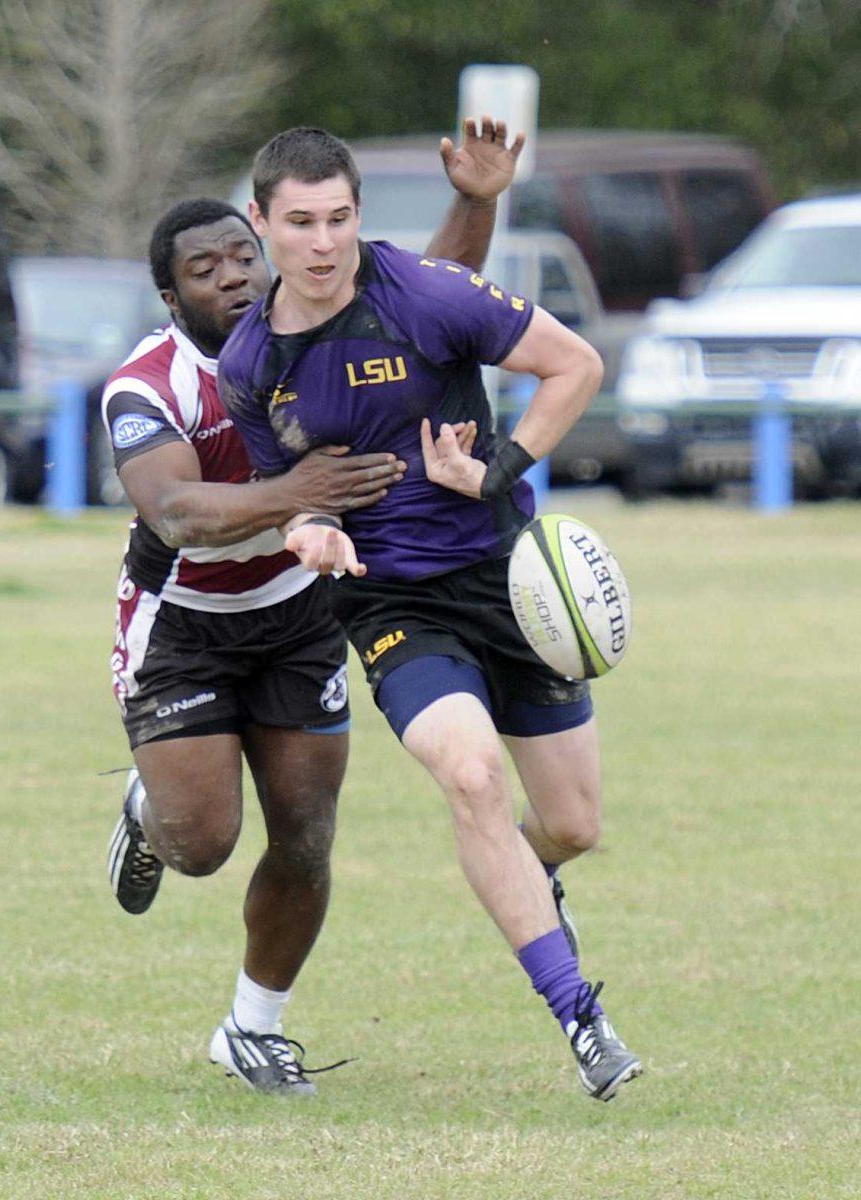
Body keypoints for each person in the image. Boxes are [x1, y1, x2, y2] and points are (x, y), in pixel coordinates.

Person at [218, 127, 643, 1102]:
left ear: (357, 217)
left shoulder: (425, 293)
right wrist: (312, 530)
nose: (320, 244)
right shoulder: (251, 364)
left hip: (509, 584)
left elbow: (574, 364)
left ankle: (530, 884)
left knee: (572, 825)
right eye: (298, 223)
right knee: (470, 772)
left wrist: (493, 470)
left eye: (337, 220)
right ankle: (584, 1020)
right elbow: (295, 488)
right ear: (261, 224)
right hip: (388, 599)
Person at [103, 117, 524, 1096]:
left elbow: (433, 304)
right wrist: (298, 492)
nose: (233, 278)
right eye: (205, 270)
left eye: (240, 257)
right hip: (185, 622)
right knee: (203, 843)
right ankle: (149, 811)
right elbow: (173, 509)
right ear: (172, 298)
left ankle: (252, 1028)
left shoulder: (315, 325)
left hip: (299, 606)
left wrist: (478, 197)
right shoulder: (149, 382)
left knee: (305, 829)